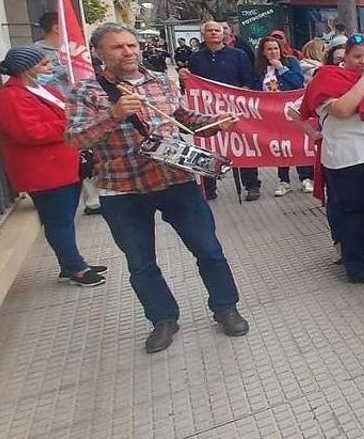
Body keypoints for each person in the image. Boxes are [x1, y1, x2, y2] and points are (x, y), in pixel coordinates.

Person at [66, 23, 250, 354]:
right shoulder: (86, 91)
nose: (128, 52)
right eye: (118, 47)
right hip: (121, 188)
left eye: (131, 45)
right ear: (99, 53)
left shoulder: (161, 81)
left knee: (208, 248)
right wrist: (114, 114)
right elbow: (76, 139)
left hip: (174, 180)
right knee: (140, 262)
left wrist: (213, 123)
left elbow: (182, 117)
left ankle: (226, 307)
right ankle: (163, 318)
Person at [0, 46, 108, 287]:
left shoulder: (44, 89)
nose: (50, 68)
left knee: (65, 218)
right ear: (27, 68)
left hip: (64, 165)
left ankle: (70, 262)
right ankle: (75, 267)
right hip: (44, 171)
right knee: (58, 221)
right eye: (44, 64)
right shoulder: (10, 96)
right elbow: (29, 132)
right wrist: (68, 126)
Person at [299, 34, 364, 284]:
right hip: (346, 159)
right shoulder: (327, 77)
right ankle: (358, 266)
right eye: (356, 56)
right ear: (345, 57)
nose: (362, 61)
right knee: (354, 215)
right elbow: (343, 109)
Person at [182, 21, 262, 201]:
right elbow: (192, 84)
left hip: (235, 109)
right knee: (209, 147)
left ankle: (251, 185)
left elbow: (248, 79)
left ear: (223, 33)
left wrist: (245, 91)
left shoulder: (239, 55)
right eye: (209, 31)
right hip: (207, 111)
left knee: (242, 145)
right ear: (204, 35)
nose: (213, 33)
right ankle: (209, 187)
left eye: (217, 30)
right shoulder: (196, 58)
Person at [34, 11, 102, 216]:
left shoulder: (75, 49)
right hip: (57, 109)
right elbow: (35, 84)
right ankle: (89, 199)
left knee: (89, 152)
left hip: (83, 106)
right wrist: (63, 69)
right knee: (76, 153)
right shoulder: (36, 52)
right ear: (57, 27)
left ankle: (95, 198)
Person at [254, 36, 313, 196]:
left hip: (291, 112)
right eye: (269, 49)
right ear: (263, 52)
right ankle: (284, 180)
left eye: (276, 48)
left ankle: (305, 177)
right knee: (281, 146)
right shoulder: (259, 68)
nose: (273, 52)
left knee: (296, 144)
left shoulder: (291, 62)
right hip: (273, 114)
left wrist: (281, 69)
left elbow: (298, 82)